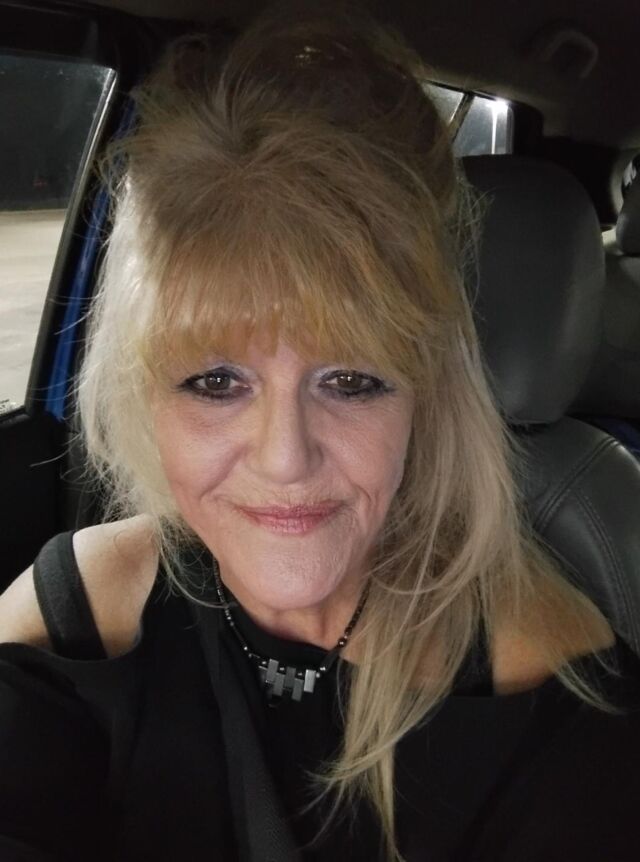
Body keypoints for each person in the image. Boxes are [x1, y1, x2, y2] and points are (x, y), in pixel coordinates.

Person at [1, 4, 639, 861]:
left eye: (352, 380)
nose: (284, 459)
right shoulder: (74, 615)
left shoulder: (550, 692)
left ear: (424, 395)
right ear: (145, 395)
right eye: (215, 382)